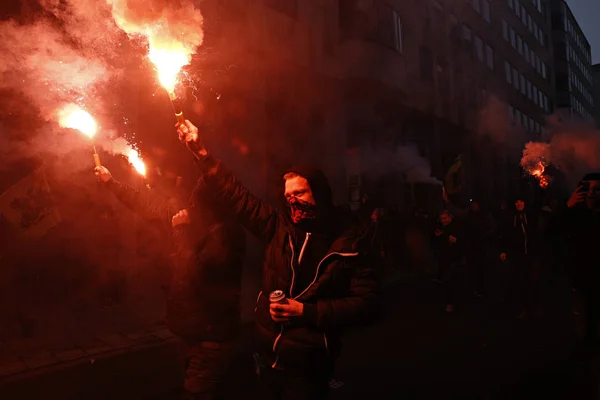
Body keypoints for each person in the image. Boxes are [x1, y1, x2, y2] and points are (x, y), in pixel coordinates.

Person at [176, 119, 380, 400]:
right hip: (267, 358)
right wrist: (201, 154)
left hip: (309, 366)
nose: (293, 201)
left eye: (300, 193)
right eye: (288, 196)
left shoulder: (348, 242)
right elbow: (237, 195)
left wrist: (304, 312)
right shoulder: (279, 227)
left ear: (319, 193)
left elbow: (367, 304)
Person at [94, 166, 246, 400]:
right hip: (189, 330)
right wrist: (110, 181)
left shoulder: (226, 236)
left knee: (198, 393)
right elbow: (145, 204)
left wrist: (180, 232)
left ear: (212, 207)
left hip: (211, 337)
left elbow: (195, 270)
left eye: (197, 203)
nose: (190, 207)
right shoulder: (193, 219)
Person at [565, 174, 600, 350]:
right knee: (584, 319)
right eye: (588, 188)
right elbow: (550, 231)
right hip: (582, 277)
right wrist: (568, 207)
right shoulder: (576, 214)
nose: (591, 193)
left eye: (596, 189)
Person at [499, 196, 536, 319]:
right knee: (518, 280)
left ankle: (529, 307)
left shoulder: (529, 216)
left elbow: (534, 233)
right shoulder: (511, 217)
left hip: (529, 254)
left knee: (530, 280)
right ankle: (520, 307)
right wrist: (504, 250)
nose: (519, 203)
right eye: (517, 202)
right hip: (517, 254)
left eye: (521, 201)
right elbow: (506, 234)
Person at [432, 210, 463, 312]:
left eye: (445, 218)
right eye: (442, 219)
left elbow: (457, 240)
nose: (443, 220)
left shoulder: (455, 227)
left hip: (454, 258)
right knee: (448, 280)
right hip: (444, 258)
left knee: (451, 280)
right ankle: (451, 302)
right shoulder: (440, 229)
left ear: (450, 217)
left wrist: (448, 237)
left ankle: (452, 303)